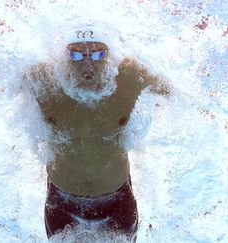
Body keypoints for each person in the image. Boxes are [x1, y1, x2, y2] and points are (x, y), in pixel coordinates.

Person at [21, 26, 169, 240]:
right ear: (64, 56)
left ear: (109, 55)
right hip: (61, 203)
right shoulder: (43, 79)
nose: (87, 63)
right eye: (76, 54)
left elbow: (176, 91)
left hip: (118, 200)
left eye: (98, 53)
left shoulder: (128, 76)